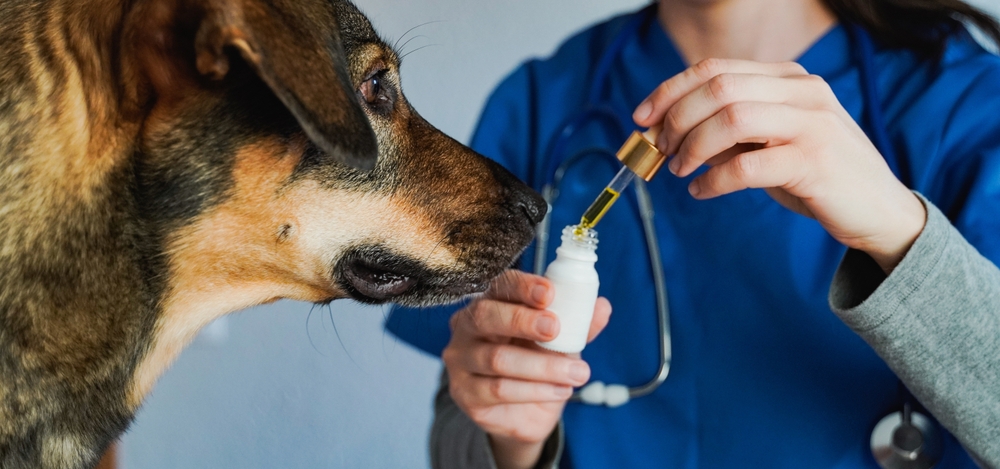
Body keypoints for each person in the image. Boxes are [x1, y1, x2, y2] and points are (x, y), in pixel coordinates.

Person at [385, 0, 1000, 467]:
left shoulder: (966, 104)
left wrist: (899, 230)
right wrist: (513, 438)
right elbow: (459, 424)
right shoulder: (545, 102)